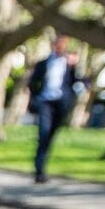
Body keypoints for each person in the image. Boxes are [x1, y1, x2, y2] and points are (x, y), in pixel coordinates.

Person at [24, 35, 87, 183]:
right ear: (54, 45)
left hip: (62, 103)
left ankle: (42, 165)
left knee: (51, 135)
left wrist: (75, 69)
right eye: (58, 43)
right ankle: (39, 170)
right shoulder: (44, 63)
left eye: (64, 44)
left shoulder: (70, 64)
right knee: (44, 133)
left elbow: (78, 82)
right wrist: (35, 99)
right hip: (45, 102)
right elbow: (33, 82)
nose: (61, 46)